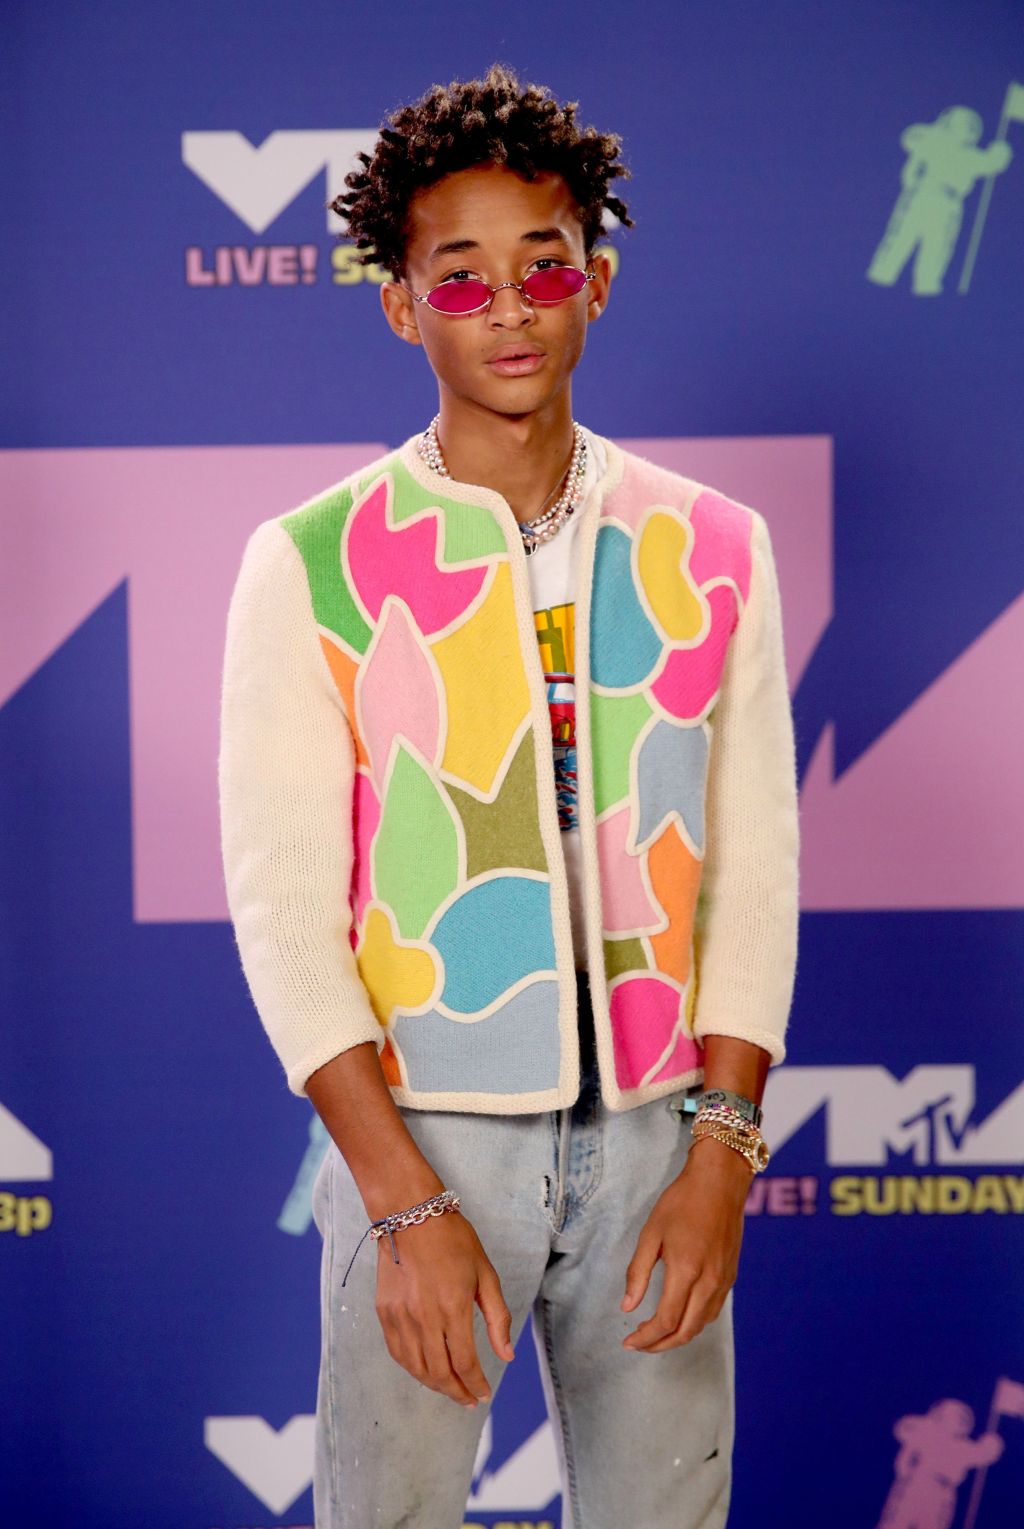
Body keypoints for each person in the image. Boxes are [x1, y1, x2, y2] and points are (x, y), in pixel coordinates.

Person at [218, 61, 800, 1529]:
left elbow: (755, 875)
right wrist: (402, 1199)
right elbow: (288, 920)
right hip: (424, 1134)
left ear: (595, 283)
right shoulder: (313, 563)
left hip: (665, 1136)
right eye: (461, 280)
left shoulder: (714, 547)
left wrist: (721, 1160)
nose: (510, 309)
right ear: (402, 307)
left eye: (543, 268)